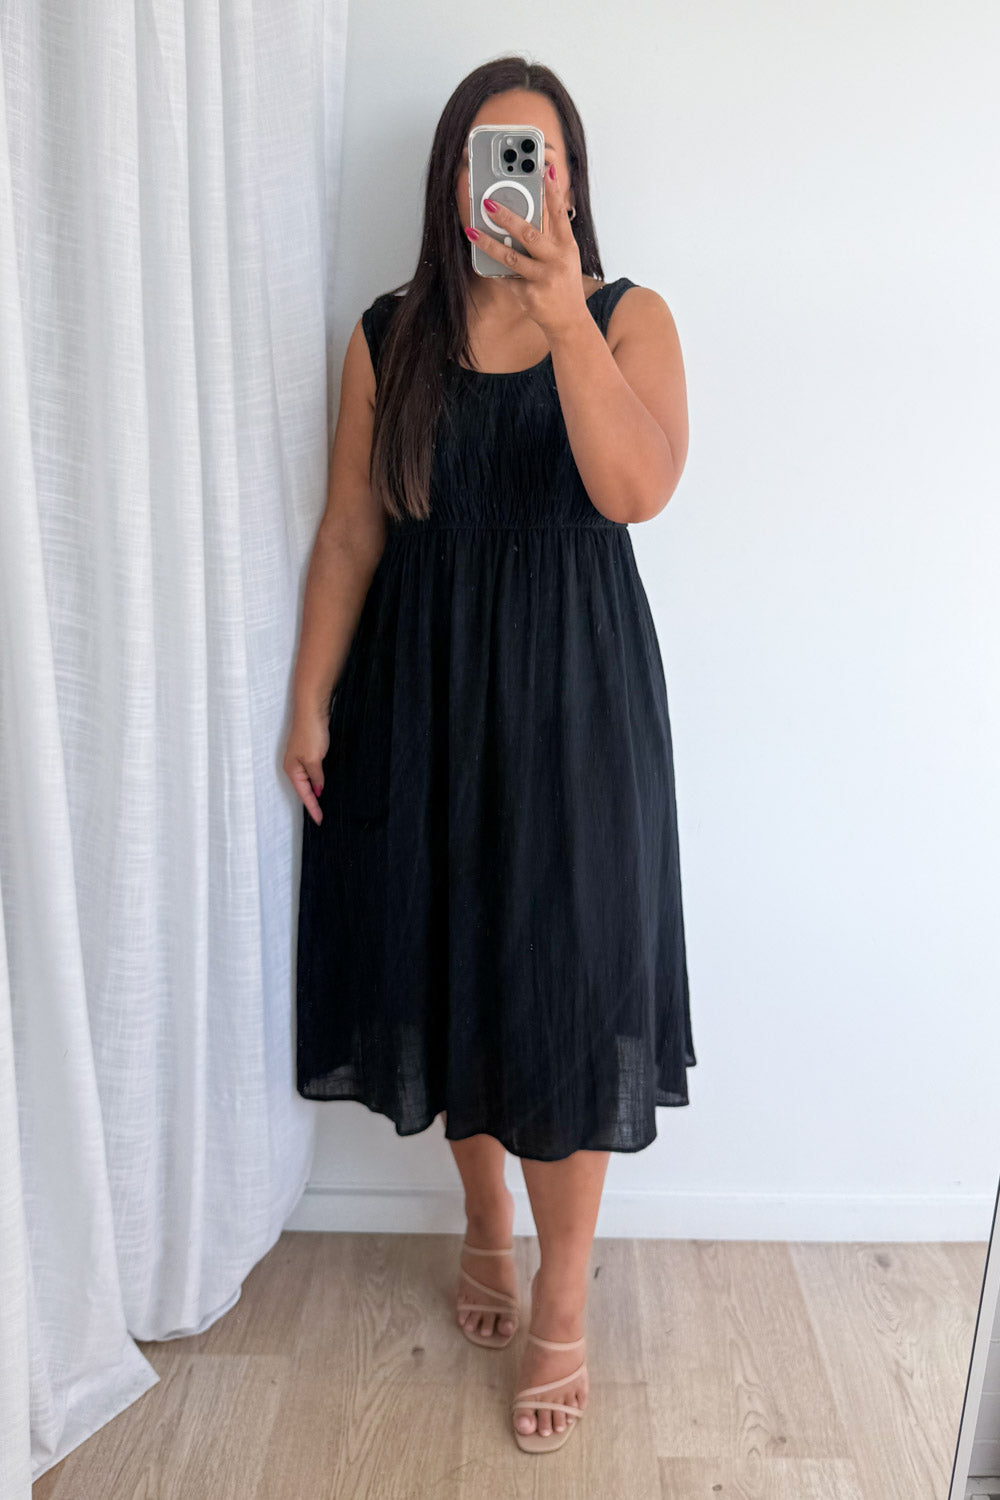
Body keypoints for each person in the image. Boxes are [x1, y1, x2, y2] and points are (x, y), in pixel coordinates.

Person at [283, 55, 696, 1454]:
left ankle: (563, 1295)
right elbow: (352, 528)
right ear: (455, 177)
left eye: (545, 154)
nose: (524, 176)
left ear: (571, 179)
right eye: (496, 152)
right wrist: (310, 698)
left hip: (577, 705)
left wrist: (563, 316)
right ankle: (484, 1219)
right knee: (446, 960)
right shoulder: (387, 334)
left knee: (568, 988)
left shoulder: (631, 318)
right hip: (421, 694)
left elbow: (636, 489)